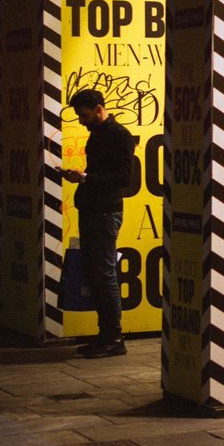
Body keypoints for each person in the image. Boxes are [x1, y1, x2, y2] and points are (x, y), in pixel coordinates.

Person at [61, 89, 136, 358]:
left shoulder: (119, 136)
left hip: (105, 212)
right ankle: (105, 336)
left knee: (104, 274)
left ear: (98, 108)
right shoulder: (100, 133)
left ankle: (113, 338)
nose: (81, 120)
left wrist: (85, 178)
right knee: (96, 273)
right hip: (93, 209)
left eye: (83, 115)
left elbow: (124, 178)